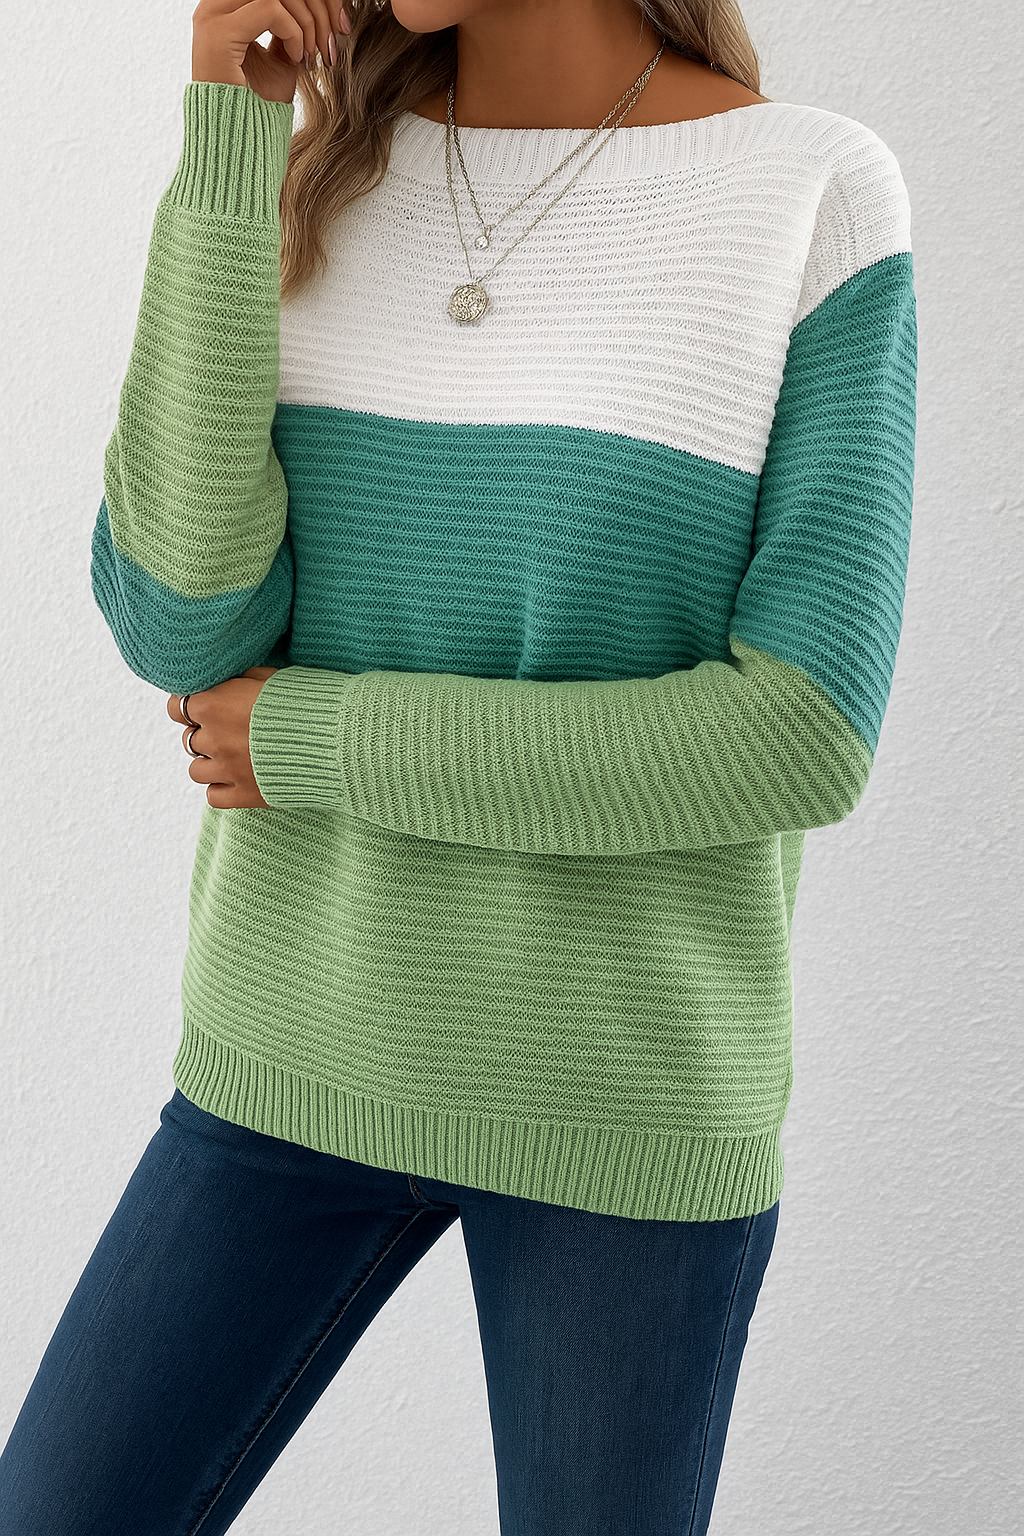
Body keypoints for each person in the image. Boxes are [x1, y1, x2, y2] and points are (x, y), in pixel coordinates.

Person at [0, 1, 917, 1531]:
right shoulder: (320, 172)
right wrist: (229, 141)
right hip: (289, 1046)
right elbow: (179, 622)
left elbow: (802, 733)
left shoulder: (809, 194)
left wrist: (316, 739)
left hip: (619, 1103)